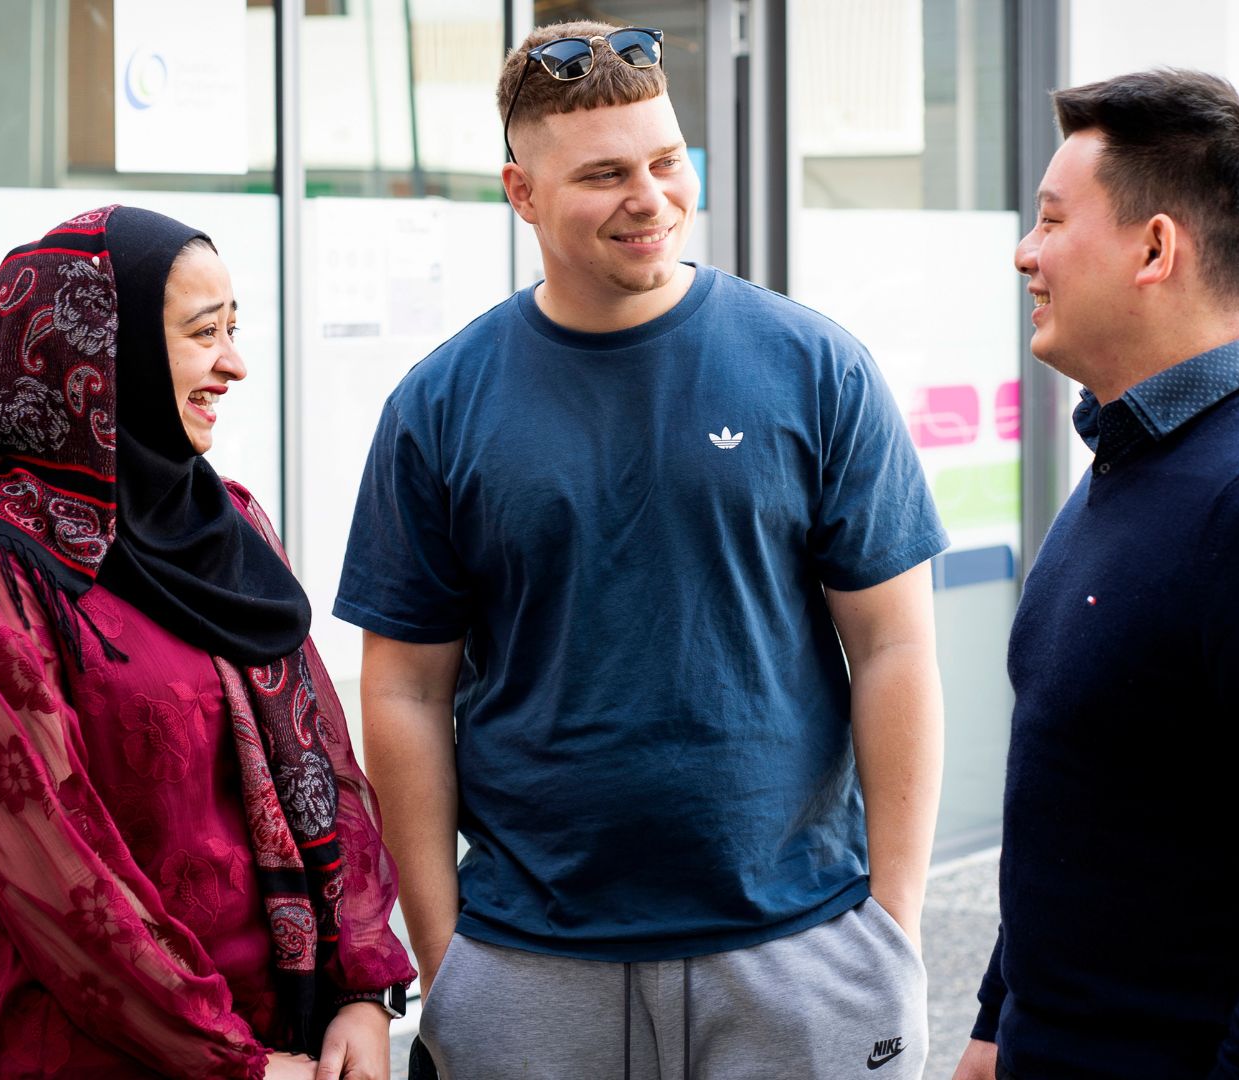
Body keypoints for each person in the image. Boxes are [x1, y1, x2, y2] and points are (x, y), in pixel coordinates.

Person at [335, 20, 949, 1079]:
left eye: (669, 162)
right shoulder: (439, 406)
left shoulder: (813, 369)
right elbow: (403, 693)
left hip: (801, 951)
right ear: (521, 193)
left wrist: (889, 927)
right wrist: (447, 959)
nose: (652, 197)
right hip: (532, 967)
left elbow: (894, 647)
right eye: (606, 174)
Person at [948, 70, 1239, 1080]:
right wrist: (996, 1025)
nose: (1024, 252)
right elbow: (1075, 799)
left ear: (1156, 248)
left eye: (1054, 219)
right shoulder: (1126, 467)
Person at [0, 205, 414, 1080]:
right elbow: (59, 868)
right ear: (103, 352)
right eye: (201, 334)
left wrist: (363, 994)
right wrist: (232, 1063)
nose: (235, 363)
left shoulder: (230, 523)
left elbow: (325, 763)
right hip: (97, 1054)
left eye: (234, 329)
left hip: (292, 1038)